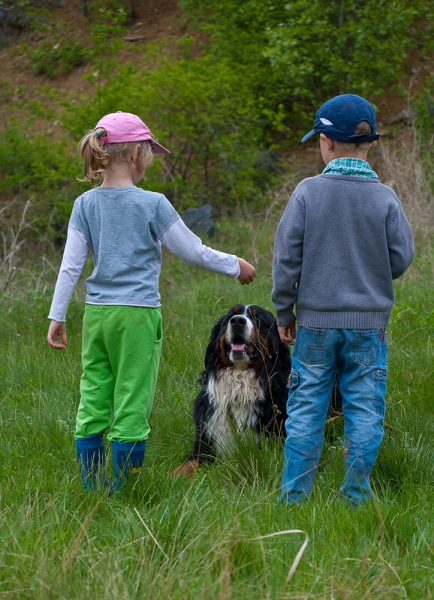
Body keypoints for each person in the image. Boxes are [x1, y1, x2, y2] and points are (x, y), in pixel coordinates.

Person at [47, 111, 256, 493]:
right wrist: (234, 265)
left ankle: (92, 490)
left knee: (93, 395)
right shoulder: (153, 203)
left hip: (97, 316)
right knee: (132, 399)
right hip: (138, 318)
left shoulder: (84, 204)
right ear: (138, 156)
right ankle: (123, 491)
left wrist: (56, 315)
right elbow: (192, 251)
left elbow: (70, 266)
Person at [272, 94, 414, 506]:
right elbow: (402, 256)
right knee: (365, 409)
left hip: (314, 325)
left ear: (326, 141)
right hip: (369, 328)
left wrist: (284, 310)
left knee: (306, 408)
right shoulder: (385, 197)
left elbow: (286, 258)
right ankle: (355, 494)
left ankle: (294, 496)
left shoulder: (307, 193)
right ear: (370, 144)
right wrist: (372, 276)